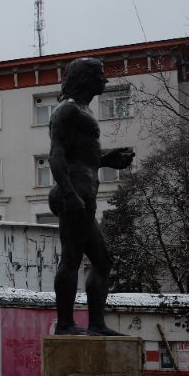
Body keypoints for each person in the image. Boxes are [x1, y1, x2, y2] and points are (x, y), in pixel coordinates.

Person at [48, 57, 135, 335]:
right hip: (73, 194)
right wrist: (70, 194)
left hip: (81, 193)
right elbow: (56, 156)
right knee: (72, 258)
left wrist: (109, 159)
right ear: (85, 78)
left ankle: (96, 324)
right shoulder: (67, 111)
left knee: (102, 260)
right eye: (100, 74)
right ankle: (65, 325)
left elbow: (83, 158)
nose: (105, 80)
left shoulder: (83, 110)